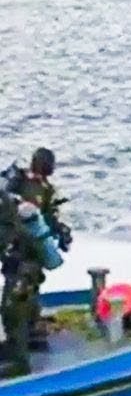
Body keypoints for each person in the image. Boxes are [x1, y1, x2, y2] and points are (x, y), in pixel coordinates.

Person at [2, 147, 72, 350]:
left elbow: (50, 215)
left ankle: (29, 329)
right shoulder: (19, 181)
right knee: (18, 290)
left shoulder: (46, 189)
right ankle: (18, 337)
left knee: (29, 286)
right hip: (17, 244)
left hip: (32, 245)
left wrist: (61, 231)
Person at [0, 197, 50, 378]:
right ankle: (23, 342)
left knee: (14, 311)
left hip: (23, 269)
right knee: (14, 309)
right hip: (20, 267)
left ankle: (19, 362)